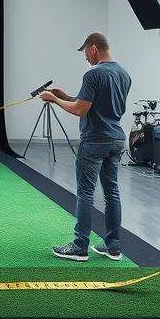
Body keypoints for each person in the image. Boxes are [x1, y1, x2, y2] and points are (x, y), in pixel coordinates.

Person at [39, 32, 132, 261]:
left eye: (85, 53)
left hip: (95, 140)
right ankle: (113, 246)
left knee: (86, 192)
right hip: (116, 139)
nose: (85, 59)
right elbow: (93, 104)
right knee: (112, 192)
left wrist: (53, 100)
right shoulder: (124, 74)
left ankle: (79, 246)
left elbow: (80, 110)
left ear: (93, 48)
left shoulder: (93, 74)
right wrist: (64, 95)